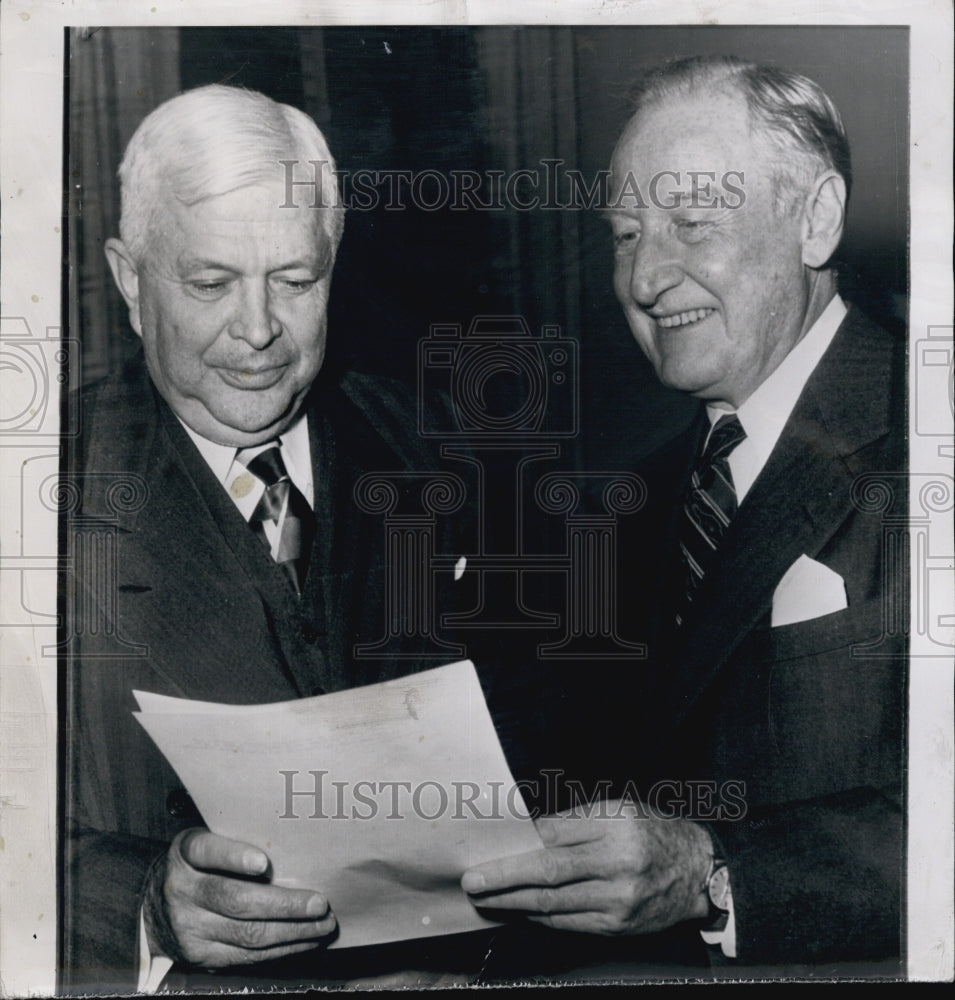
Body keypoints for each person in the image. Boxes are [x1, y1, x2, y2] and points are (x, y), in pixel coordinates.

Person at [463, 56, 906, 977]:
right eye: (625, 234)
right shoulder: (637, 495)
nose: (648, 276)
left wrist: (717, 876)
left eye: (692, 223)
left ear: (815, 219)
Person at [62, 84, 494, 993]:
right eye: (210, 283)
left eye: (295, 281)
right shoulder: (38, 498)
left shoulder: (437, 451)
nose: (258, 332)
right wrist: (145, 905)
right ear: (129, 282)